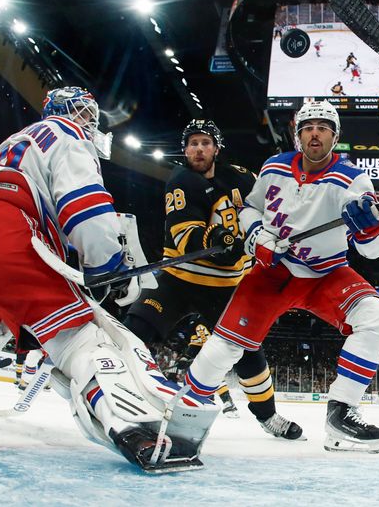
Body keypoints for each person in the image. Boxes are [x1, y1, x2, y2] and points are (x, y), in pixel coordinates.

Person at [0, 87, 218, 473]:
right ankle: (139, 427)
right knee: (81, 333)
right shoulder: (65, 135)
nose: (91, 122)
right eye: (88, 114)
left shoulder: (1, 149)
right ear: (76, 112)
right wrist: (106, 264)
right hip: (5, 231)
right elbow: (84, 204)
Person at [185, 100, 379, 454]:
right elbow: (250, 209)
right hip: (272, 273)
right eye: (308, 126)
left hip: (325, 274)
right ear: (298, 134)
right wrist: (258, 239)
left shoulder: (354, 180)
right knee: (224, 346)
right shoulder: (274, 167)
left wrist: (370, 229)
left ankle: (341, 413)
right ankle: (184, 412)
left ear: (335, 135)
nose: (315, 132)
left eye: (323, 127)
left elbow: (375, 250)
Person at [123, 119, 304, 439]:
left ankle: (268, 416)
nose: (199, 149)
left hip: (226, 287)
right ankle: (124, 398)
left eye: (205, 143)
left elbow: (272, 207)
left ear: (216, 148)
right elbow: (186, 240)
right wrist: (220, 241)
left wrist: (283, 226)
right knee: (136, 330)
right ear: (185, 149)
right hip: (178, 279)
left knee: (249, 350)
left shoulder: (242, 178)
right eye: (193, 143)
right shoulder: (179, 181)